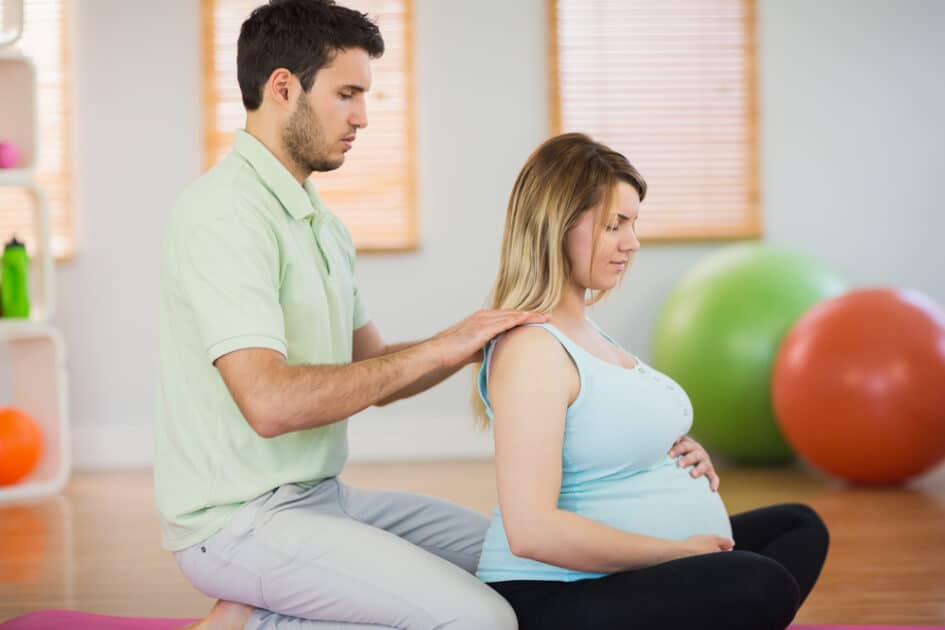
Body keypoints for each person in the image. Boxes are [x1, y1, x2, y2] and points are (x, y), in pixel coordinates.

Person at [155, 1, 541, 628]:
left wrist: (470, 339)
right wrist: (441, 350)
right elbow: (270, 404)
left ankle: (261, 608)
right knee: (481, 622)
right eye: (348, 94)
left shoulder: (319, 222)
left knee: (523, 564)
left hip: (321, 498)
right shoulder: (223, 216)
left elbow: (373, 372)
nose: (362, 117)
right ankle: (256, 621)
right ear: (284, 88)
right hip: (236, 522)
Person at [473, 132, 830, 630]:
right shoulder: (530, 349)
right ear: (556, 226)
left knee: (798, 528)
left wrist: (676, 449)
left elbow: (605, 428)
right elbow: (532, 531)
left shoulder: (584, 327)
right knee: (759, 582)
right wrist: (676, 553)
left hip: (627, 576)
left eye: (633, 223)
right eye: (613, 225)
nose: (632, 243)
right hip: (553, 593)